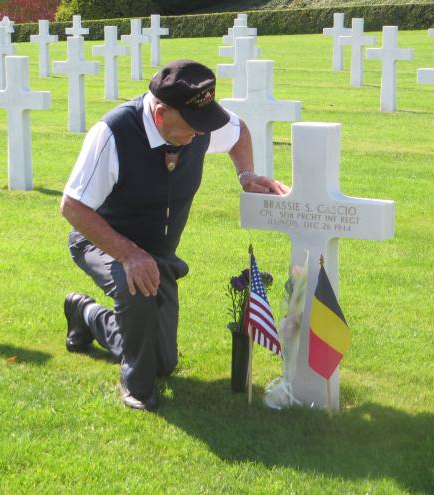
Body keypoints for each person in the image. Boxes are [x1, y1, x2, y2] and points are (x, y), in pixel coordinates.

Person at [60, 60, 288, 411]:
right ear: (162, 114)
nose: (200, 135)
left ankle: (87, 314)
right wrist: (128, 254)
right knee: (134, 284)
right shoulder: (112, 133)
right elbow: (73, 207)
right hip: (101, 241)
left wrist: (246, 175)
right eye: (193, 127)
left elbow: (238, 130)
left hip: (157, 255)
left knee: (164, 362)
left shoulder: (199, 124)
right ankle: (136, 384)